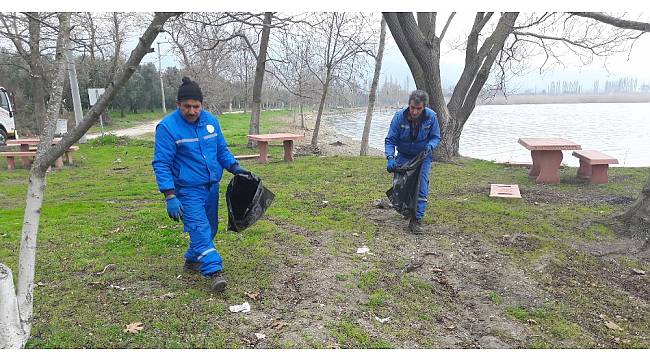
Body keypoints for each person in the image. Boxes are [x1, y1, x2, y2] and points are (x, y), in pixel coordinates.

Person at [152, 77, 250, 293]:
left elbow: (221, 150)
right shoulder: (167, 128)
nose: (192, 111)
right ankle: (214, 271)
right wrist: (169, 195)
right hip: (186, 190)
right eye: (187, 106)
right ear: (178, 104)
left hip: (211, 187)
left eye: (196, 106)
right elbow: (161, 163)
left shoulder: (211, 122)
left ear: (201, 105)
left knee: (211, 228)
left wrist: (235, 167)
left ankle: (191, 260)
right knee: (200, 228)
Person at [384, 90, 441, 234]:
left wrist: (430, 146)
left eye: (419, 108)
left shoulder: (431, 117)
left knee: (421, 186)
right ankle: (406, 210)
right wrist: (390, 157)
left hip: (423, 156)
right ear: (409, 105)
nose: (415, 112)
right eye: (412, 108)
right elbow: (390, 140)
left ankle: (416, 219)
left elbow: (436, 137)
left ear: (424, 107)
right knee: (402, 185)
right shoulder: (399, 117)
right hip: (403, 155)